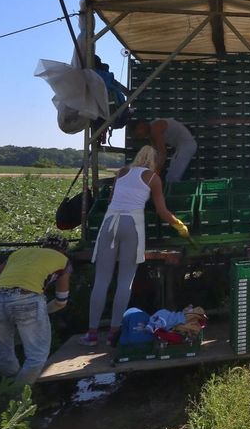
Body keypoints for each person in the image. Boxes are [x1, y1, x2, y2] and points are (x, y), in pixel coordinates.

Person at [81, 145, 188, 346]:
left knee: (101, 281)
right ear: (155, 162)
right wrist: (179, 225)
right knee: (125, 281)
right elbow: (161, 211)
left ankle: (92, 333)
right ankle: (114, 332)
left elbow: (112, 200)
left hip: (109, 222)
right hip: (132, 224)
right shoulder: (153, 178)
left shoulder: (121, 172)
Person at [0, 237, 72, 384]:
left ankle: (7, 389)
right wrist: (43, 312)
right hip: (28, 298)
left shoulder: (18, 254)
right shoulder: (63, 261)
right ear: (64, 251)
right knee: (36, 356)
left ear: (42, 246)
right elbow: (61, 301)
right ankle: (18, 395)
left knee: (3, 353)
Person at [128, 118, 197, 183]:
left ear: (141, 126)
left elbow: (162, 153)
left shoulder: (155, 128)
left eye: (138, 135)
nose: (140, 138)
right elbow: (156, 154)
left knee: (173, 177)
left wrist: (156, 172)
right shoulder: (151, 134)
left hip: (187, 146)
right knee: (170, 177)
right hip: (182, 147)